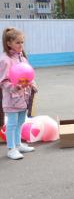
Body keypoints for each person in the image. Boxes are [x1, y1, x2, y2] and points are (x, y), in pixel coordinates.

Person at [0, 27, 37, 160]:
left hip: (23, 97)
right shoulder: (5, 59)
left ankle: (18, 144)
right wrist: (14, 87)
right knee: (12, 123)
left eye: (22, 42)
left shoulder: (22, 58)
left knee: (21, 121)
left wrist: (32, 84)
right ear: (9, 43)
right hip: (11, 98)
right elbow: (3, 81)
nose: (21, 45)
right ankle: (11, 149)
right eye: (18, 42)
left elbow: (28, 75)